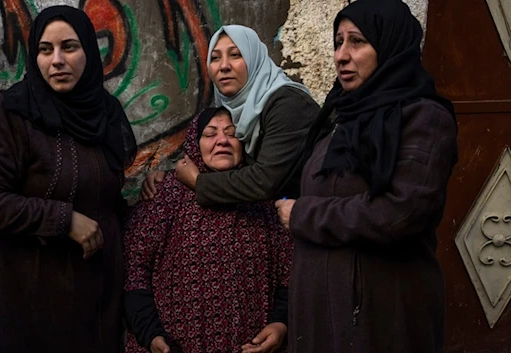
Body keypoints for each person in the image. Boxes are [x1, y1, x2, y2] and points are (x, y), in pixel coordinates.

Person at [274, 1, 458, 352]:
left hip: (380, 317)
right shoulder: (339, 121)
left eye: (357, 41)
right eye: (338, 42)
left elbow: (400, 212)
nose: (341, 55)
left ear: (389, 46)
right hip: (317, 316)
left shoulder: (423, 120)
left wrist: (302, 215)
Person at [0, 5, 136, 353]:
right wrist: (63, 219)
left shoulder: (106, 113)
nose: (57, 60)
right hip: (25, 295)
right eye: (45, 50)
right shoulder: (9, 112)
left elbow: (106, 193)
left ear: (89, 50)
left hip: (93, 296)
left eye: (69, 47)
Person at [124, 107, 293, 353]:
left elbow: (290, 273)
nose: (222, 140)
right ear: (194, 143)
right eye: (210, 134)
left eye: (232, 134)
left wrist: (281, 323)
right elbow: (134, 270)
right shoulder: (165, 196)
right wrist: (150, 334)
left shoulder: (263, 202)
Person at [141, 25, 319, 204]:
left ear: (254, 59)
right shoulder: (236, 109)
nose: (224, 66)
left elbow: (263, 181)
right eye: (215, 58)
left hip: (320, 220)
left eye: (235, 55)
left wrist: (196, 181)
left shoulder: (287, 104)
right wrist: (170, 179)